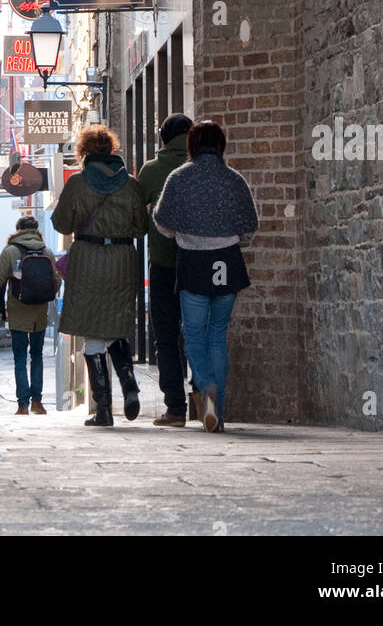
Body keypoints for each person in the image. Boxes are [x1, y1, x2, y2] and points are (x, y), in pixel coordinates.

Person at [153, 120, 258, 433]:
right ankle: (217, 408)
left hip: (194, 262)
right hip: (227, 260)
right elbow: (249, 225)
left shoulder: (178, 178)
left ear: (192, 146)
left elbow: (163, 224)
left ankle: (206, 386)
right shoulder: (234, 180)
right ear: (221, 145)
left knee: (194, 334)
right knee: (217, 334)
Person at [51, 125, 148, 427]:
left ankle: (103, 409)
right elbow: (142, 226)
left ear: (84, 152)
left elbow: (62, 224)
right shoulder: (130, 184)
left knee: (92, 330)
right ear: (111, 150)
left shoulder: (79, 183)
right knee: (116, 324)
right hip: (122, 260)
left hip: (88, 258)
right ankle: (129, 383)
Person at [138, 112, 193, 427]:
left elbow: (139, 219)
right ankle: (204, 401)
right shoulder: (200, 167)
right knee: (201, 333)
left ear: (163, 138)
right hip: (200, 261)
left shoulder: (152, 170)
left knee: (166, 336)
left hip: (162, 263)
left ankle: (176, 408)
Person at [0, 215, 61, 416]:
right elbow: (56, 282)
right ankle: (37, 402)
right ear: (36, 230)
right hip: (40, 313)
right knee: (37, 356)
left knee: (20, 357)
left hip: (18, 311)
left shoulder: (11, 251)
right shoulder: (46, 251)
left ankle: (23, 405)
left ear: (18, 230)